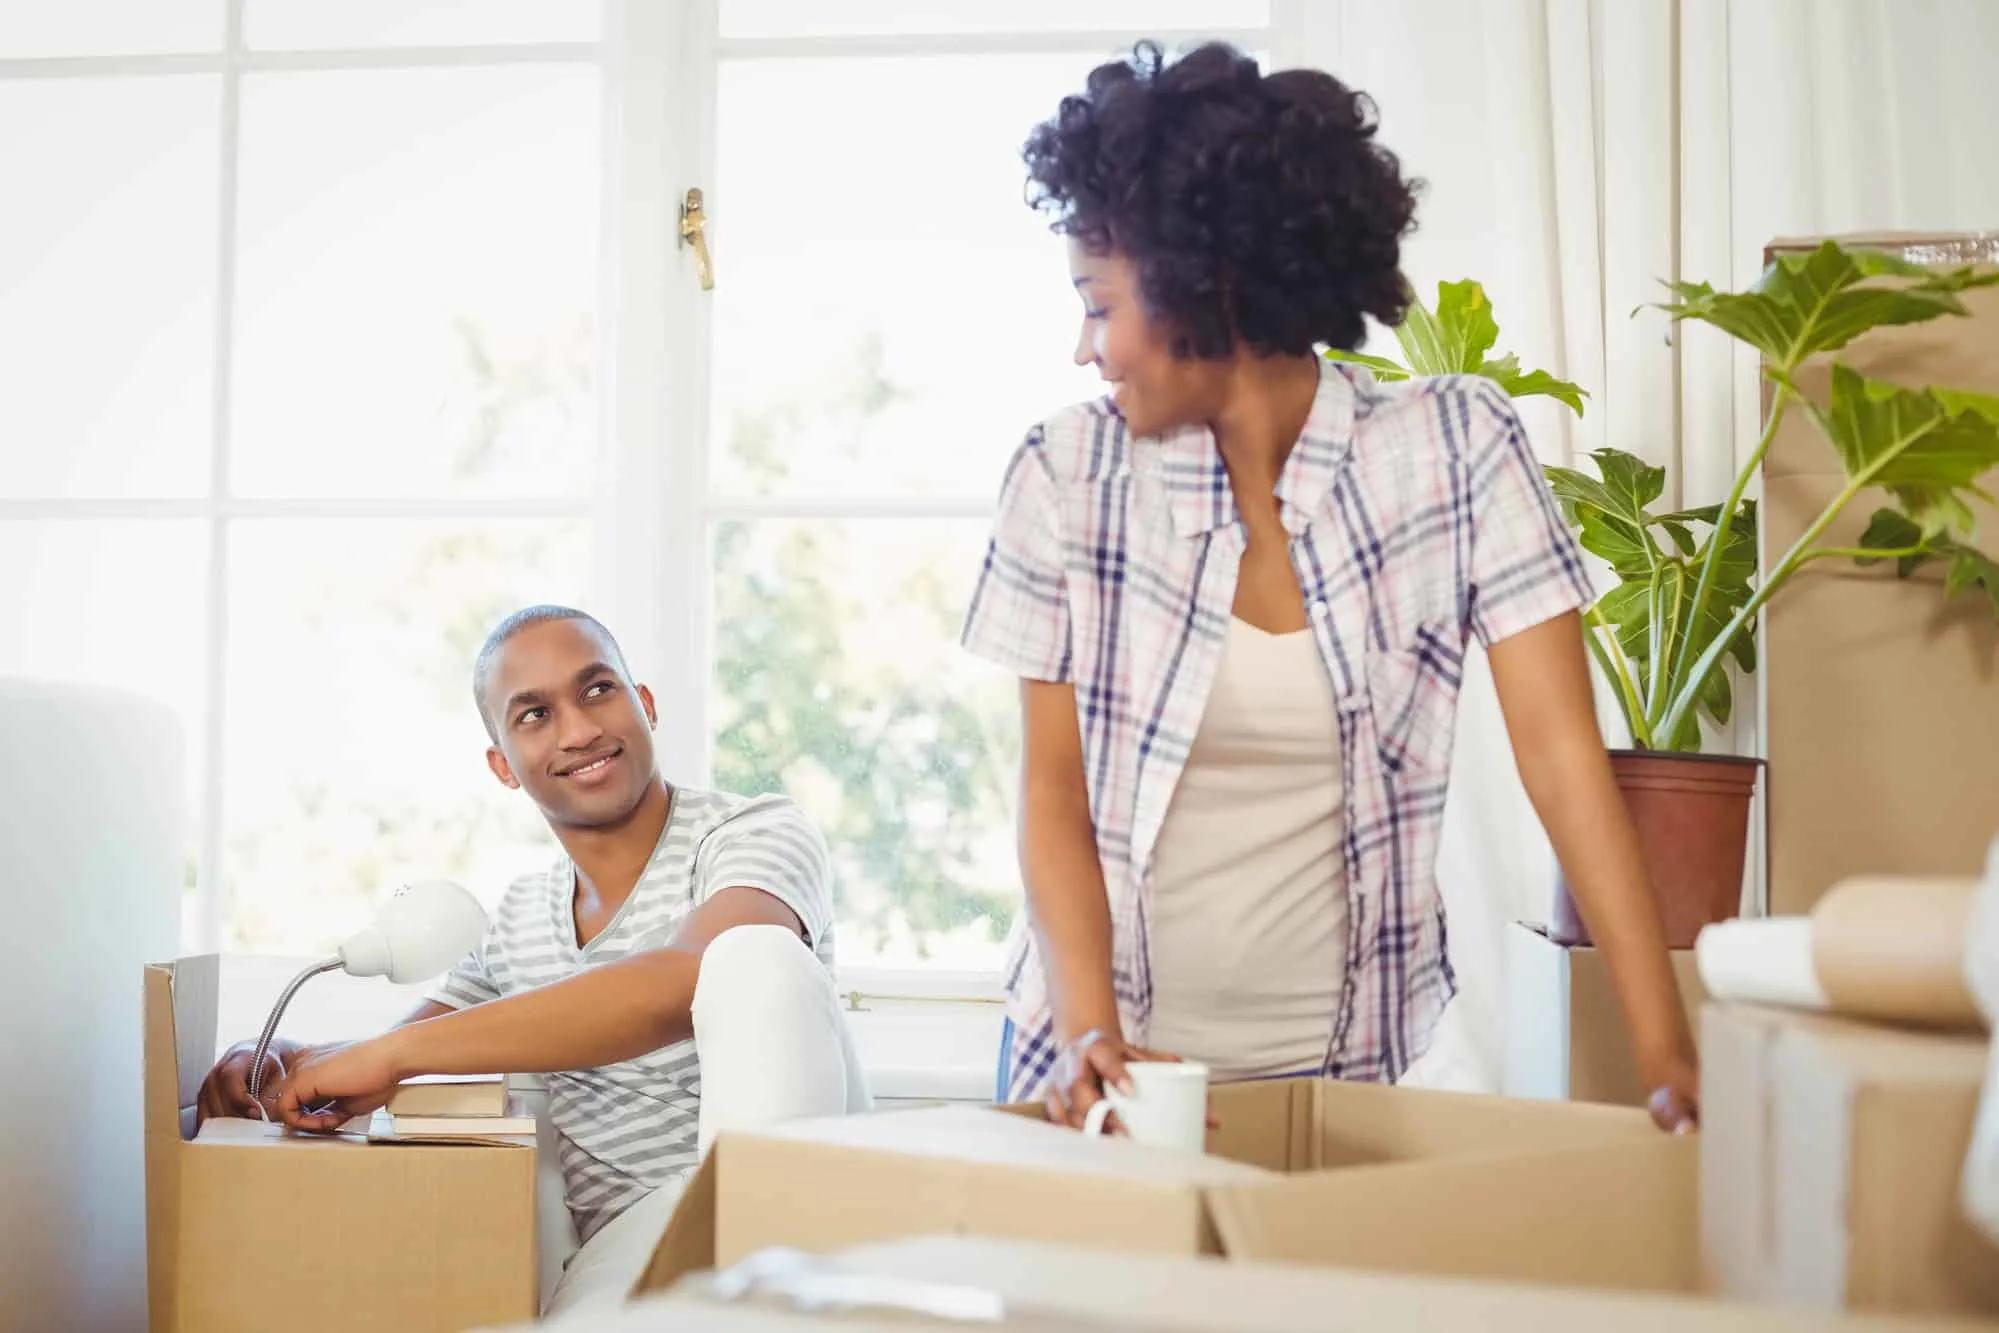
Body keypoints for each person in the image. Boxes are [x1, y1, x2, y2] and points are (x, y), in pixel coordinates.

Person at [962, 42, 1700, 1134]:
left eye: (1097, 304)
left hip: (1343, 1082)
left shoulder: (1453, 449)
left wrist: (1666, 1050)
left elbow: (1562, 759)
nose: (1085, 349)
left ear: (1199, 288)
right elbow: (1051, 796)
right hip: (1101, 1077)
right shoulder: (1063, 474)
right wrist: (1089, 1035)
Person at [194, 605, 871, 1312]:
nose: (578, 729)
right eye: (534, 715)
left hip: (797, 1199)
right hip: (637, 1234)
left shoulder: (753, 830)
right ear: (503, 766)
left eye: (598, 689)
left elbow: (688, 977)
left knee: (752, 952)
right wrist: (273, 1058)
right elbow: (391, 1053)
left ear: (644, 704)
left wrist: (393, 1055)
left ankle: (758, 1290)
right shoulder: (516, 921)